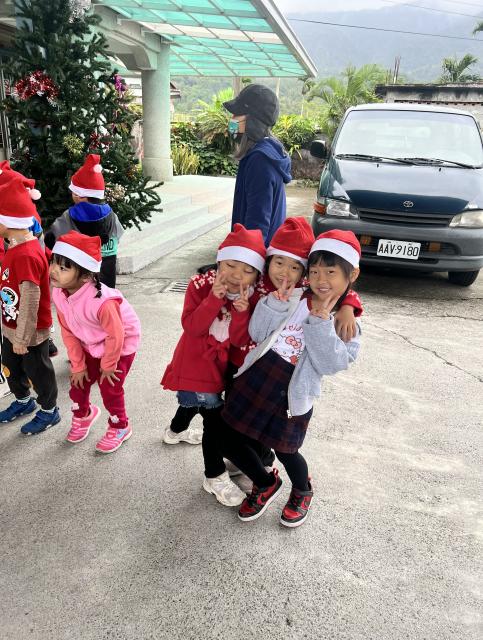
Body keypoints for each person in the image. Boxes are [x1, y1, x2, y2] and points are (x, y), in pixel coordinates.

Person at [219, 230, 362, 528]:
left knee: (286, 450)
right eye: (315, 271)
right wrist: (275, 305)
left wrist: (322, 322)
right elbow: (258, 334)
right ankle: (265, 482)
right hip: (258, 376)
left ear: (352, 274)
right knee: (227, 437)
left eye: (331, 272)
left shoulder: (344, 320)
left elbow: (331, 364)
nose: (321, 279)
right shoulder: (293, 296)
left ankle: (302, 490)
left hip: (292, 392)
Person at [161, 224, 266, 507]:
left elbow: (240, 340)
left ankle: (175, 431)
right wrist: (213, 299)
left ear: (257, 274)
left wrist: (242, 313)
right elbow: (192, 327)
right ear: (219, 262)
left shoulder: (252, 295)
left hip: (220, 368)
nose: (236, 275)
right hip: (194, 364)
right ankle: (214, 475)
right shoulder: (201, 285)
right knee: (214, 423)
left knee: (194, 402)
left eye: (247, 270)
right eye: (230, 265)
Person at [49, 231, 140, 453]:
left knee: (110, 387)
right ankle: (84, 415)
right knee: (78, 381)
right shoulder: (59, 293)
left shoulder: (103, 302)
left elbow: (116, 335)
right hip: (89, 341)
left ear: (85, 276)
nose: (53, 270)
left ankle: (120, 426)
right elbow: (68, 331)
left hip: (120, 345)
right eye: (53, 262)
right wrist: (78, 365)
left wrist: (108, 365)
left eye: (63, 268)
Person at [0, 176, 60, 435]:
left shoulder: (26, 254)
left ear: (7, 222)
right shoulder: (14, 247)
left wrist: (22, 337)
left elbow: (30, 299)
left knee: (38, 371)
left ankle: (49, 410)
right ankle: (24, 401)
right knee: (11, 367)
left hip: (30, 332)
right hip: (12, 327)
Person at [224, 84, 291, 247]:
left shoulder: (260, 161)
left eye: (237, 114)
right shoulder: (266, 153)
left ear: (253, 121)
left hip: (256, 253)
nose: (232, 119)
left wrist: (246, 256)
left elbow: (258, 224)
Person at [44, 154, 123, 288]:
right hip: (106, 274)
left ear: (78, 195)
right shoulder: (111, 215)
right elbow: (118, 235)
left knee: (82, 298)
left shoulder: (69, 216)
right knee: (102, 296)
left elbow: (51, 239)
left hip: (80, 276)